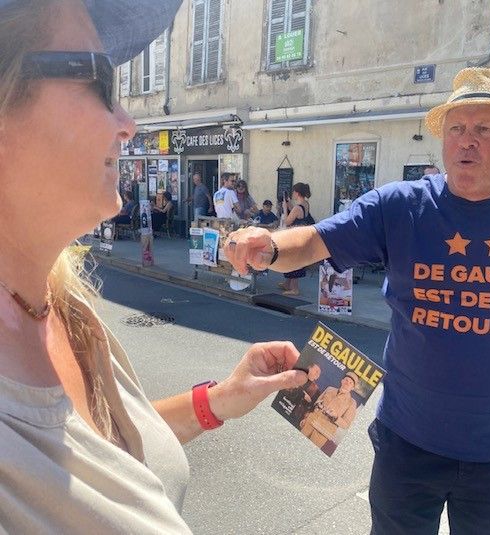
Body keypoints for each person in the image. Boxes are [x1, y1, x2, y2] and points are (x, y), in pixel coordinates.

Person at [225, 67, 490, 535]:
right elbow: (316, 241)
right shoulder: (400, 206)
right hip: (407, 442)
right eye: (457, 129)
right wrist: (271, 247)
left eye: (483, 129)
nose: (466, 142)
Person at [0, 1, 307, 533]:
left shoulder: (67, 309)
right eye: (100, 83)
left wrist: (221, 400)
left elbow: (102, 458)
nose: (127, 123)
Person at [300, 371, 358, 448]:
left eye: (351, 383)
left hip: (322, 431)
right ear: (342, 381)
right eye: (346, 380)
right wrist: (306, 417)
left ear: (352, 388)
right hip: (310, 422)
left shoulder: (352, 403)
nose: (347, 383)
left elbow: (346, 425)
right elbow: (316, 403)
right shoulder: (330, 389)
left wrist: (336, 417)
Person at [278, 182, 313, 296]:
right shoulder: (305, 204)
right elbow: (298, 213)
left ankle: (294, 289)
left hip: (295, 237)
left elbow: (287, 221)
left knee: (293, 261)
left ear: (297, 193)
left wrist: (284, 208)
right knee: (293, 260)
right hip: (301, 235)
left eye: (293, 191)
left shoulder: (297, 207)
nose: (292, 194)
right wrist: (290, 206)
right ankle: (287, 283)